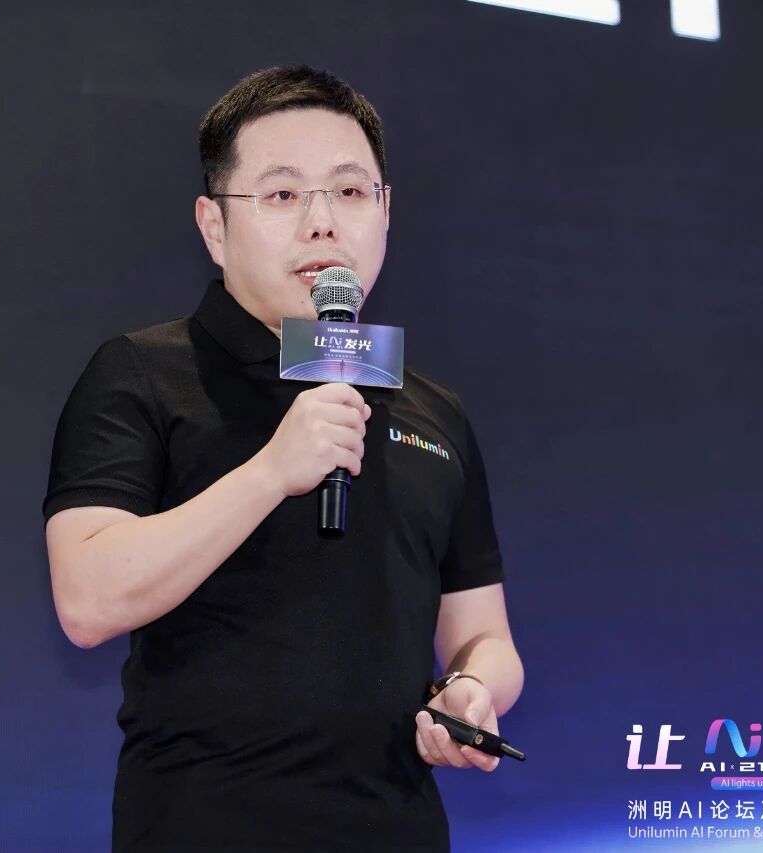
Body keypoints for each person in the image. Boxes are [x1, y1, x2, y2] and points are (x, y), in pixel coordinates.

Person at [43, 65, 523, 852]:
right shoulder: (143, 374)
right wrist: (271, 472)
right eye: (283, 194)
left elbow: (486, 637)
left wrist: (471, 687)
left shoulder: (432, 409)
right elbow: (87, 600)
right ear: (214, 225)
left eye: (350, 191)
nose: (323, 223)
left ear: (386, 211)